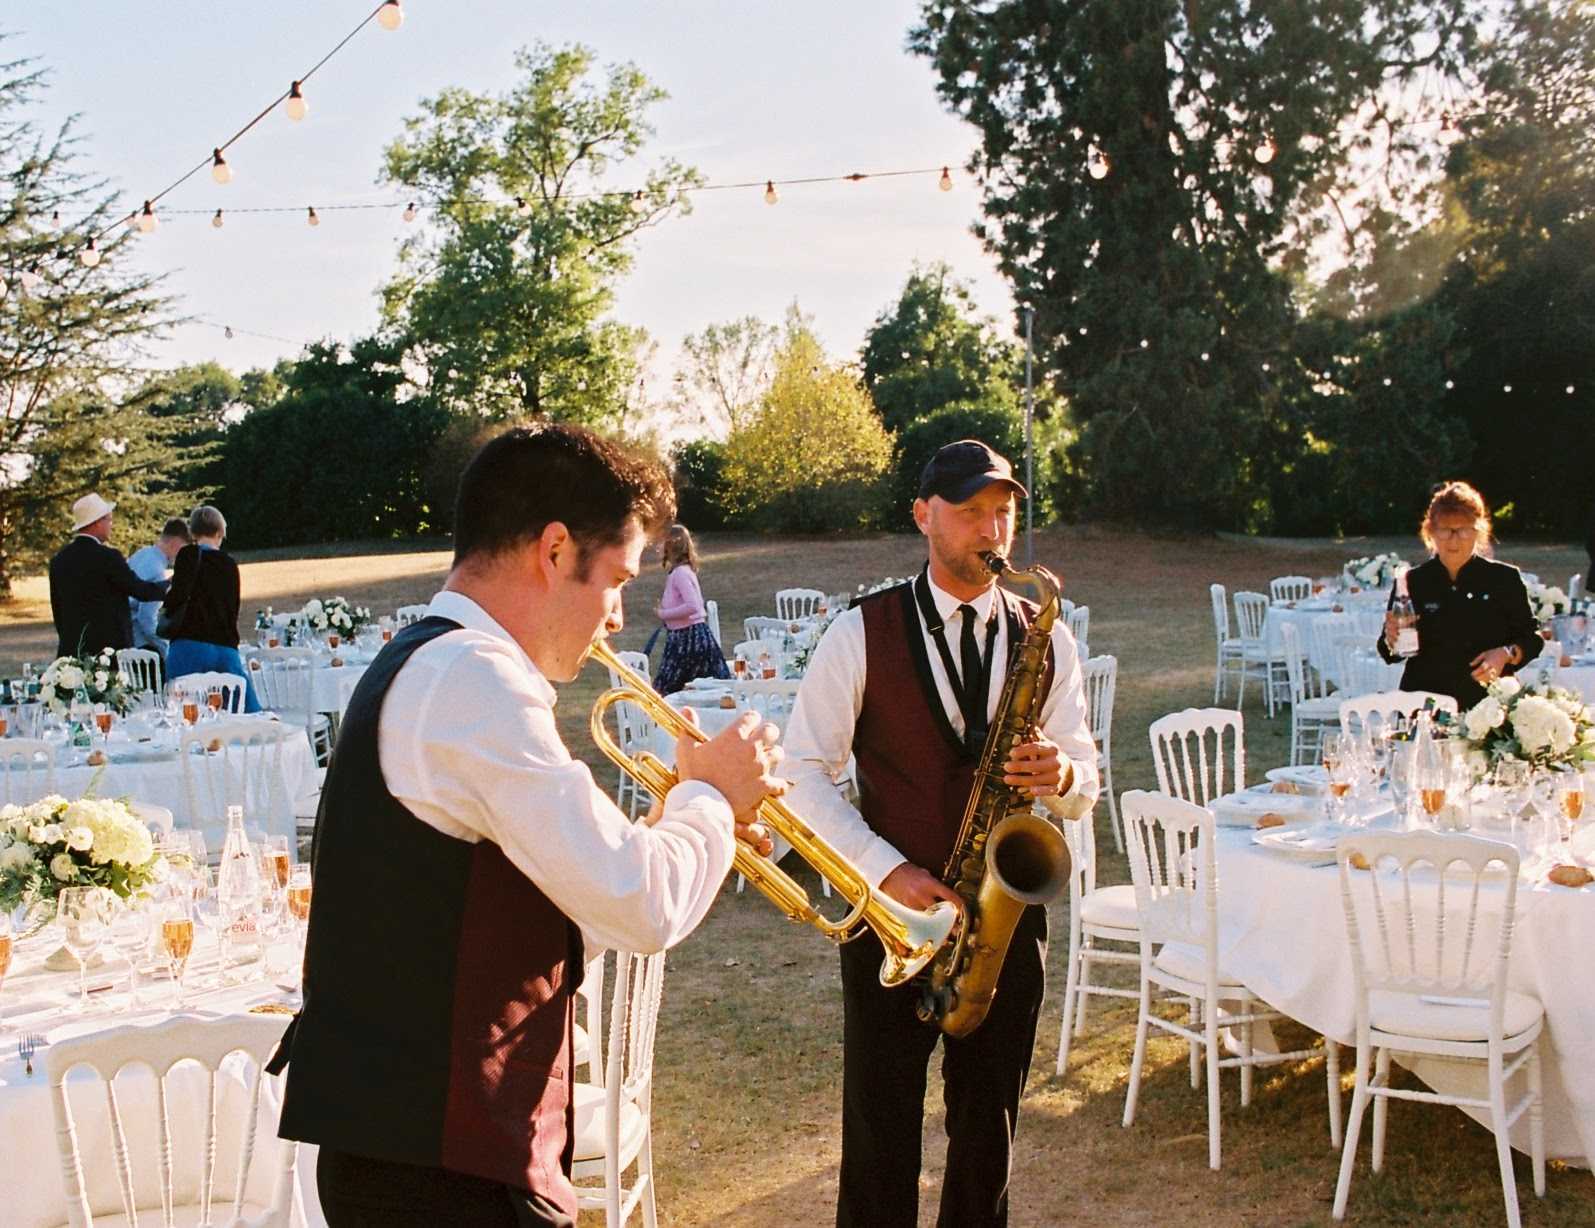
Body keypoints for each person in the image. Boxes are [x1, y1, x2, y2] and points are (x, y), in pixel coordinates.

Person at [269, 424, 784, 1228]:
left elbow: (523, 906)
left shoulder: (432, 659)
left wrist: (672, 825)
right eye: (616, 578)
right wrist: (710, 799)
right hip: (443, 1170)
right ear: (553, 550)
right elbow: (643, 906)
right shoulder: (474, 678)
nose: (617, 616)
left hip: (419, 1155)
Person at [782, 438, 1099, 1228]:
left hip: (1004, 919)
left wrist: (1060, 775)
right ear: (923, 516)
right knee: (879, 1134)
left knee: (986, 1137)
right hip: (887, 918)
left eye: (1005, 513)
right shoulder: (858, 632)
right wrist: (883, 870)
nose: (992, 532)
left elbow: (1087, 779)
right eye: (970, 512)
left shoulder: (1047, 637)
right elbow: (801, 774)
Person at [1377, 480, 1541, 709]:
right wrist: (1390, 638)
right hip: (1424, 706)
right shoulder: (1412, 581)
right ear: (1431, 532)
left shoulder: (1504, 578)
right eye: (1445, 530)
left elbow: (1532, 638)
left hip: (1487, 708)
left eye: (1463, 531)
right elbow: (1389, 652)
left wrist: (1505, 654)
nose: (1454, 540)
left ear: (1478, 531)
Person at [159, 506, 263, 712]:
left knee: (182, 710)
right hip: (224, 645)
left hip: (189, 642)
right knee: (244, 710)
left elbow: (177, 596)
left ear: (193, 532)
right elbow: (233, 608)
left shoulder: (187, 555)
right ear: (219, 532)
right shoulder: (229, 564)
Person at [48, 492, 169, 658]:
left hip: (73, 652)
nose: (111, 525)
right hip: (109, 653)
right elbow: (141, 590)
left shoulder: (58, 560)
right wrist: (170, 584)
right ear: (97, 523)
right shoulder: (109, 557)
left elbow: (58, 613)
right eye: (109, 520)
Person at [652, 523, 732, 694]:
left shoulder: (681, 573)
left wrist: (664, 614)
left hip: (688, 639)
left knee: (670, 688)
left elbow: (694, 606)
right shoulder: (681, 572)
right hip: (682, 636)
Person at [128, 517, 193, 658]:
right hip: (141, 647)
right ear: (176, 543)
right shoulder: (158, 572)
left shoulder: (141, 554)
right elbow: (146, 620)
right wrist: (166, 648)